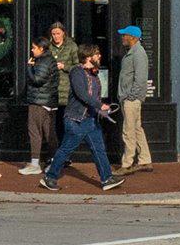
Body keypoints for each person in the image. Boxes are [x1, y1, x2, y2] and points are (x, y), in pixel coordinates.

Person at [40, 44, 123, 192]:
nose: (99, 56)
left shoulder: (93, 74)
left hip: (90, 119)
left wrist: (99, 111)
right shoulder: (77, 72)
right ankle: (50, 177)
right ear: (88, 57)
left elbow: (92, 96)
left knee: (99, 149)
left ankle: (107, 179)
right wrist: (100, 105)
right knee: (65, 150)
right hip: (76, 120)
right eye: (96, 54)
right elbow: (81, 94)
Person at [17, 37, 58, 176]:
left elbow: (37, 80)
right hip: (49, 102)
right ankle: (53, 162)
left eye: (34, 48)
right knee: (49, 134)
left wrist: (29, 68)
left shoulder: (42, 62)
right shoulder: (50, 60)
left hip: (39, 102)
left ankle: (35, 164)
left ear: (41, 48)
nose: (32, 50)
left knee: (35, 132)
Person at [116, 25, 153, 174]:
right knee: (137, 129)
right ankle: (145, 160)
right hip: (130, 98)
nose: (122, 37)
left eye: (124, 35)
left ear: (132, 37)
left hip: (131, 100)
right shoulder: (132, 52)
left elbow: (141, 79)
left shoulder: (138, 53)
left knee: (128, 131)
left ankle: (127, 164)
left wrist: (131, 96)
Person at [45, 21, 80, 111]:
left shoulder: (71, 46)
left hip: (67, 89)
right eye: (53, 34)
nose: (56, 36)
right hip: (51, 89)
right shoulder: (48, 47)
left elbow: (78, 66)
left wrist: (64, 66)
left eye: (58, 33)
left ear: (63, 33)